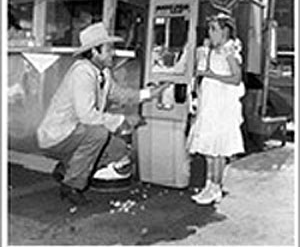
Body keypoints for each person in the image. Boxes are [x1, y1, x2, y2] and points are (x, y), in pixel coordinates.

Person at [36, 22, 168, 206]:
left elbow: (120, 94)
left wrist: (149, 94)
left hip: (75, 133)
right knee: (98, 134)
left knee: (119, 150)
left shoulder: (103, 72)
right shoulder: (82, 72)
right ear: (94, 52)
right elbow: (87, 115)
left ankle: (66, 168)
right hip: (57, 136)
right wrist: (123, 120)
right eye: (108, 49)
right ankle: (71, 186)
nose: (112, 53)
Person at [187, 13, 245, 205]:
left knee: (217, 149)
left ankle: (216, 187)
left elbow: (236, 78)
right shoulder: (210, 50)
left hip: (221, 105)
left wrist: (212, 75)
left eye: (214, 29)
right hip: (210, 103)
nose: (210, 33)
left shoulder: (229, 51)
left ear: (225, 31)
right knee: (209, 151)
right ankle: (209, 186)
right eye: (210, 29)